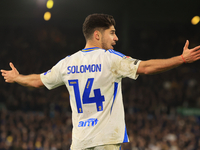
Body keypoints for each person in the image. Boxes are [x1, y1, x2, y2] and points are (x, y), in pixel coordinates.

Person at [1, 14, 200, 150]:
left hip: (79, 143)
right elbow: (146, 67)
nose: (116, 38)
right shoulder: (110, 58)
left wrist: (17, 77)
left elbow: (38, 81)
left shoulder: (67, 63)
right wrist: (181, 59)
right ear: (97, 34)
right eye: (112, 32)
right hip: (106, 140)